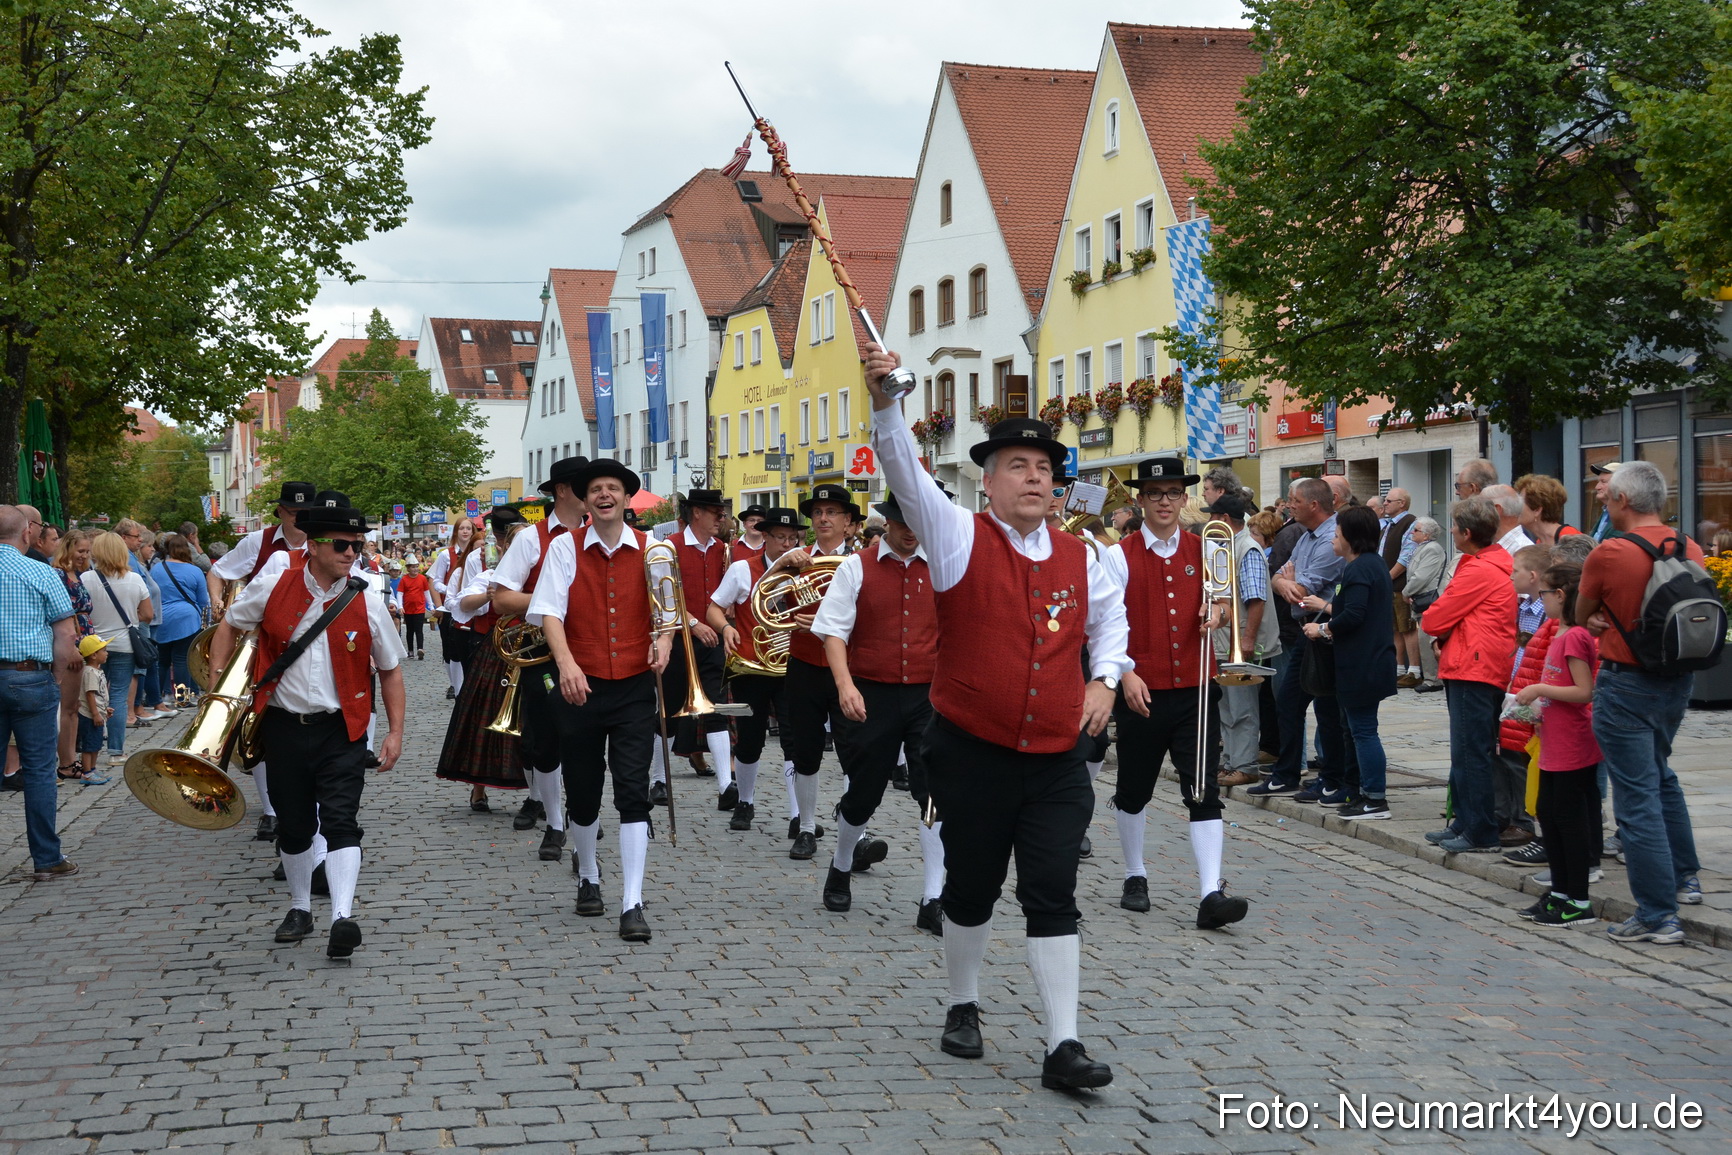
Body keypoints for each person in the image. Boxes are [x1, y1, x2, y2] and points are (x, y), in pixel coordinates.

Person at [865, 343, 1127, 1093]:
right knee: (972, 887)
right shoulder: (953, 534)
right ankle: (963, 1001)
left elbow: (1112, 625)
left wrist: (1105, 679)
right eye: (1019, 464)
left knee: (1052, 889)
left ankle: (1063, 1044)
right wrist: (888, 402)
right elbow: (904, 474)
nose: (1036, 476)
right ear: (988, 479)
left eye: (1046, 467)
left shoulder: (1086, 556)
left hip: (1054, 757)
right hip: (971, 751)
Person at [209, 498, 405, 958]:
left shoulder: (367, 601)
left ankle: (342, 915)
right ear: (314, 545)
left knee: (341, 822)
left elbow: (391, 669)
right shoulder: (274, 584)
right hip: (282, 726)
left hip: (342, 729)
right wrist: (218, 691)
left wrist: (395, 732)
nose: (352, 553)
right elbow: (229, 625)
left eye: (357, 545)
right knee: (294, 827)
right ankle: (300, 907)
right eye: (342, 544)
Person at [527, 458, 672, 944]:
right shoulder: (565, 548)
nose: (605, 495)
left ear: (627, 499)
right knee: (584, 789)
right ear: (585, 501)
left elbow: (668, 614)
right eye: (596, 489)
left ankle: (632, 900)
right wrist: (567, 665)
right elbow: (548, 612)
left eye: (614, 488)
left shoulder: (656, 550)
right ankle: (588, 873)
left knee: (632, 789)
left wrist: (664, 644)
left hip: (634, 685)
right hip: (580, 684)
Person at [1099, 458, 1245, 926]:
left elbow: (1222, 602)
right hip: (1141, 688)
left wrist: (1218, 613)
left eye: (1173, 493)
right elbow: (1105, 624)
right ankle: (1134, 873)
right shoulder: (1118, 554)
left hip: (1197, 689)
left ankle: (1209, 893)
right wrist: (1124, 674)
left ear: (1185, 500)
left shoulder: (1207, 547)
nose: (1164, 501)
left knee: (1202, 790)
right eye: (1155, 493)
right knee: (1134, 789)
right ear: (1140, 501)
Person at [1577, 461, 1704, 945]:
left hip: (1626, 679)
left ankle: (1657, 914)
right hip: (1676, 679)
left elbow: (1581, 612)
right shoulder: (1686, 545)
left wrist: (1593, 620)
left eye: (1607, 498)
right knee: (1662, 777)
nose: (1604, 505)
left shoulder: (1611, 552)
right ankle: (1684, 878)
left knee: (1637, 797)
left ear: (1623, 503)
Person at [811, 492, 939, 925]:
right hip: (871, 693)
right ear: (886, 521)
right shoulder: (856, 566)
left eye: (916, 521)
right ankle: (842, 864)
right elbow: (832, 633)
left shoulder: (942, 566)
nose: (909, 531)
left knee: (933, 794)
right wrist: (845, 686)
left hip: (928, 695)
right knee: (864, 791)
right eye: (901, 521)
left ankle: (933, 897)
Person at [492, 458, 589, 857]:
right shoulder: (530, 539)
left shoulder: (603, 534)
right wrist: (551, 599)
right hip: (543, 656)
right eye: (584, 484)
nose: (594, 491)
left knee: (585, 743)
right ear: (563, 490)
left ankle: (584, 816)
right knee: (547, 742)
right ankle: (553, 822)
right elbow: (501, 598)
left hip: (591, 652)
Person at [1420, 497, 1518, 853]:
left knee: (1471, 751)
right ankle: (1465, 819)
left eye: (1454, 527)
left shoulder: (1479, 569)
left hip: (1473, 667)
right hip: (1475, 662)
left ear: (1466, 533)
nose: (1451, 533)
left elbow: (1435, 617)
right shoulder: (1484, 562)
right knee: (1468, 750)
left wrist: (1441, 630)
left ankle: (1480, 829)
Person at [1510, 560, 1602, 927]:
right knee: (1548, 813)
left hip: (1573, 744)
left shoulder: (1576, 636)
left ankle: (1578, 899)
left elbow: (1583, 691)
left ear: (1560, 595)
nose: (1540, 599)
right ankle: (1560, 892)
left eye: (1545, 593)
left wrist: (1539, 689)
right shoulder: (1558, 632)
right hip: (1552, 740)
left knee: (1568, 820)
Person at [706, 507, 805, 835]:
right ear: (765, 536)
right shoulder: (741, 569)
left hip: (792, 667)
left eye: (793, 538)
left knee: (794, 740)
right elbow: (714, 608)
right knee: (750, 740)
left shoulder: (805, 571)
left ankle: (797, 814)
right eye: (781, 537)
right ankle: (745, 801)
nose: (787, 544)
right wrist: (725, 629)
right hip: (751, 666)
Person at [1248, 478, 1348, 800]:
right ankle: (1287, 773)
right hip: (1306, 632)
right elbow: (1278, 574)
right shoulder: (1305, 536)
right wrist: (1283, 582)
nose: (1288, 505)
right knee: (1289, 701)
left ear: (1313, 505)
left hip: (1326, 632)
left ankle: (1331, 777)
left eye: (1294, 500)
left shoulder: (1332, 537)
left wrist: (1289, 583)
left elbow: (1302, 588)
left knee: (1326, 708)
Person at [779, 482, 861, 858]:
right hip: (805, 665)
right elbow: (768, 606)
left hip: (848, 669)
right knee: (805, 749)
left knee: (855, 750)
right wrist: (781, 570)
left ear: (849, 524)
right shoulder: (797, 560)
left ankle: (855, 828)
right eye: (817, 513)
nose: (823, 518)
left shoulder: (862, 563)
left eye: (832, 513)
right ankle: (807, 826)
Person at [0, 505, 81, 880]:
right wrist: (56, 679)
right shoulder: (42, 573)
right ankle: (47, 857)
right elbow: (66, 638)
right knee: (39, 771)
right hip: (29, 676)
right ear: (27, 534)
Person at [1300, 506, 1395, 819]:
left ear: (1351, 539)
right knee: (1356, 729)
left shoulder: (1359, 569)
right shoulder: (1370, 565)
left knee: (1364, 732)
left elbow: (1353, 615)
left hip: (1363, 664)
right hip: (1367, 661)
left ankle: (1375, 798)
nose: (1332, 540)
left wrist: (1322, 628)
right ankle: (1361, 791)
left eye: (1337, 535)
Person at [436, 511, 530, 812]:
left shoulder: (540, 572)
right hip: (497, 648)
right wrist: (488, 596)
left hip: (533, 650)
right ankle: (478, 788)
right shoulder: (488, 572)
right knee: (481, 717)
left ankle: (539, 793)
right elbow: (460, 604)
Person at [651, 489, 736, 812]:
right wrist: (694, 622)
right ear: (696, 513)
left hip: (711, 641)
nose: (721, 518)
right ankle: (658, 780)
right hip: (674, 639)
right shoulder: (668, 547)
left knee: (714, 709)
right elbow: (662, 598)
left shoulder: (721, 550)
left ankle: (726, 786)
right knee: (670, 711)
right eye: (716, 512)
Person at [1209, 494, 1278, 791]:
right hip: (1225, 638)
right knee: (1227, 707)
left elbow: (1256, 599)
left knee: (1242, 708)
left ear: (1224, 519)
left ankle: (1246, 765)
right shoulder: (1227, 548)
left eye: (1213, 516)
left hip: (1239, 640)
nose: (1209, 522)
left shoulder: (1246, 549)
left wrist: (1248, 638)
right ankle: (1231, 761)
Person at [82, 531, 153, 766]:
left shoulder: (86, 579)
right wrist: (131, 619)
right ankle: (115, 751)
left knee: (91, 694)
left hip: (93, 645)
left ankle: (86, 748)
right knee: (119, 696)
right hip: (124, 644)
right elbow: (148, 615)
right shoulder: (134, 579)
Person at [49, 530, 94, 775]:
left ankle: (70, 758)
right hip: (71, 645)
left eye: (87, 551)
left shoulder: (77, 575)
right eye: (80, 551)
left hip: (84, 642)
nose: (84, 556)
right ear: (68, 549)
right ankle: (65, 762)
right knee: (67, 706)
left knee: (75, 706)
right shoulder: (57, 575)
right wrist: (73, 648)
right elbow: (62, 615)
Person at [151, 533, 209, 708]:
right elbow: (203, 601)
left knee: (162, 659)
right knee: (182, 659)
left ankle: (158, 697)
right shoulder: (195, 571)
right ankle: (182, 697)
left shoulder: (157, 569)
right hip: (187, 619)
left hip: (162, 618)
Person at [430, 518, 482, 698]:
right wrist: (453, 592)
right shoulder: (447, 554)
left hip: (476, 613)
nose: (465, 532)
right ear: (456, 532)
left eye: (469, 528)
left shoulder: (487, 560)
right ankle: (456, 686)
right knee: (451, 650)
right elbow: (435, 581)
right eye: (462, 528)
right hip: (452, 610)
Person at [1379, 489, 1419, 686]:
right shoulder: (1389, 525)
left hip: (1400, 586)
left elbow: (1406, 556)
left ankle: (1414, 671)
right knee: (1394, 628)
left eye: (1388, 500)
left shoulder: (1410, 522)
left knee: (1407, 627)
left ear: (1401, 503)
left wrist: (1386, 578)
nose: (1384, 503)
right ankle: (1398, 668)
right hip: (1390, 586)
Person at [1403, 518, 1447, 691]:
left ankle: (1433, 680)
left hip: (1429, 601)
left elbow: (1422, 577)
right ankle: (1432, 678)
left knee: (1427, 638)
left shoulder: (1432, 550)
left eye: (1416, 530)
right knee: (1424, 637)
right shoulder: (1422, 548)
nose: (1413, 533)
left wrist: (1407, 592)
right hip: (1420, 600)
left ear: (1427, 534)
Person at [73, 635, 113, 784]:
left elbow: (99, 694)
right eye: (104, 650)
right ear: (94, 655)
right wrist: (95, 713)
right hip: (89, 715)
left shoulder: (97, 671)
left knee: (96, 743)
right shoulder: (89, 672)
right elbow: (90, 694)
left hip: (97, 713)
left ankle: (93, 768)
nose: (107, 653)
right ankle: (87, 772)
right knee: (89, 744)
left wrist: (105, 708)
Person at [1514, 474, 1576, 549]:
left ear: (1537, 510)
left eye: (1520, 502)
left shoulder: (1570, 538)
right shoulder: (1540, 542)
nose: (1515, 507)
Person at [395, 557, 431, 660]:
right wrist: (400, 606)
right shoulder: (404, 579)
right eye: (412, 567)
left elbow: (426, 593)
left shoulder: (422, 579)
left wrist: (431, 605)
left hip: (419, 608)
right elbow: (400, 594)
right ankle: (410, 650)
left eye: (416, 567)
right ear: (408, 568)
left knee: (419, 629)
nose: (415, 569)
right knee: (410, 630)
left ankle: (420, 649)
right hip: (408, 609)